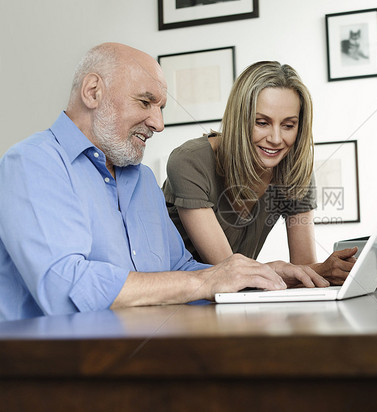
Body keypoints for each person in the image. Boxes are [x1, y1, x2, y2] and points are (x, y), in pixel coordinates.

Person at [0, 43, 330, 321]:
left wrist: (261, 273)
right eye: (145, 102)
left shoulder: (141, 180)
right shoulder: (32, 163)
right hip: (54, 370)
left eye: (161, 108)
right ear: (92, 91)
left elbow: (181, 267)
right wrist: (207, 281)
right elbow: (65, 288)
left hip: (142, 355)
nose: (158, 123)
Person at [162, 61, 357, 284]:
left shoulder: (293, 170)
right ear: (239, 120)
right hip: (176, 302)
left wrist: (326, 270)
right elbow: (226, 271)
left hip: (237, 301)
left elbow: (305, 270)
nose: (275, 139)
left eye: (288, 125)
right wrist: (281, 268)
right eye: (262, 123)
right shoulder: (190, 161)